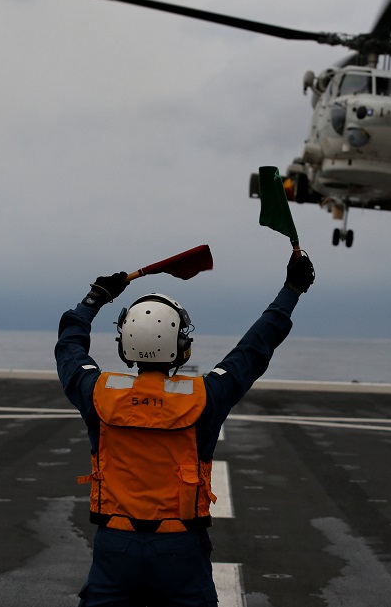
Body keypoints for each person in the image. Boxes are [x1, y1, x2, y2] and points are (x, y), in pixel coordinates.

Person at [54, 252, 315, 607]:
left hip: (115, 546)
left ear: (124, 344)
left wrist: (95, 298)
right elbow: (255, 346)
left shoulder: (97, 392)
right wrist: (291, 290)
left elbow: (69, 344)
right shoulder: (207, 396)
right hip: (180, 549)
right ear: (181, 347)